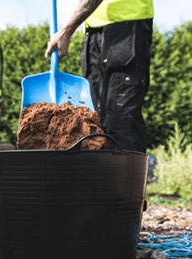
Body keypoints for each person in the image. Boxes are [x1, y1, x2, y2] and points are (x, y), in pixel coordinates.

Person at [45, 0, 154, 153]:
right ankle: (101, 177)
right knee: (95, 123)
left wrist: (66, 31)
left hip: (127, 28)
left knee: (121, 121)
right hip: (93, 33)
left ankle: (128, 177)